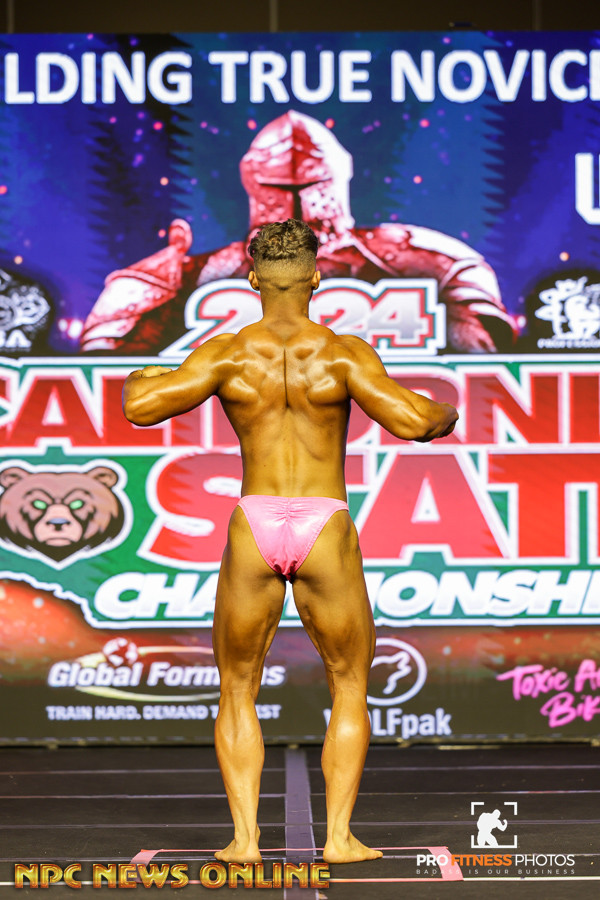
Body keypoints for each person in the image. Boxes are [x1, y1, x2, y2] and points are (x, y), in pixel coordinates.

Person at [122, 218, 458, 865]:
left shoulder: (226, 353)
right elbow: (416, 421)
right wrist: (446, 413)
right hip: (323, 522)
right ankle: (339, 839)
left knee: (236, 686)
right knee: (350, 684)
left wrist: (142, 375)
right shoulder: (342, 353)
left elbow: (141, 406)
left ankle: (244, 842)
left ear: (253, 279)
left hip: (255, 520)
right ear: (316, 277)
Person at [84, 110, 516, 355]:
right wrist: (154, 283)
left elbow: (482, 364)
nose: (295, 203)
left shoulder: (430, 260)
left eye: (310, 185)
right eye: (278, 188)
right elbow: (105, 373)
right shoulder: (194, 273)